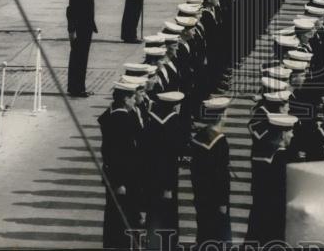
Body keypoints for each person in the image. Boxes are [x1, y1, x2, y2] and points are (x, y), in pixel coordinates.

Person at [99, 82, 141, 250]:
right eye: (132, 97)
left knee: (113, 213)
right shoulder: (121, 120)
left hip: (115, 175)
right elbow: (117, 155)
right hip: (121, 177)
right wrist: (120, 182)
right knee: (121, 215)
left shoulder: (113, 115)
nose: (134, 101)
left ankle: (112, 243)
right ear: (125, 99)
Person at [245, 113, 297, 244]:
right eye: (290, 131)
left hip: (259, 212)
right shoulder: (282, 158)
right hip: (275, 215)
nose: (292, 135)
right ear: (282, 134)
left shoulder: (264, 151)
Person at [144, 91, 184, 251]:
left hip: (150, 174)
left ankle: (152, 242)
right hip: (167, 177)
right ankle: (169, 244)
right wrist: (167, 186)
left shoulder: (150, 121)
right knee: (168, 212)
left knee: (152, 210)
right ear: (174, 106)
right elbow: (169, 157)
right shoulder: (174, 123)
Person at [190, 97, 233, 245]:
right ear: (221, 116)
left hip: (200, 195)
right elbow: (221, 175)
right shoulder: (220, 142)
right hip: (215, 199)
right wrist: (222, 202)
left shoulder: (198, 137)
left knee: (203, 233)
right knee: (218, 237)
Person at [66, 0, 99, 97]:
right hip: (80, 29)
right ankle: (76, 89)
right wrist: (72, 31)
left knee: (82, 58)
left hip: (86, 28)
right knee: (78, 58)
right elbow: (71, 11)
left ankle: (80, 87)